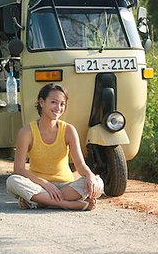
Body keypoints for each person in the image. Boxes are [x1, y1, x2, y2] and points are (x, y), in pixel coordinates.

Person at [6, 83, 104, 211]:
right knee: (12, 181)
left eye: (62, 104)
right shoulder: (26, 132)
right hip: (38, 185)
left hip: (66, 186)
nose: (58, 108)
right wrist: (46, 184)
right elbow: (19, 169)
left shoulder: (69, 130)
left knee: (98, 182)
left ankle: (40, 201)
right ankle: (65, 204)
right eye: (53, 102)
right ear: (41, 103)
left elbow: (80, 165)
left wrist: (90, 175)